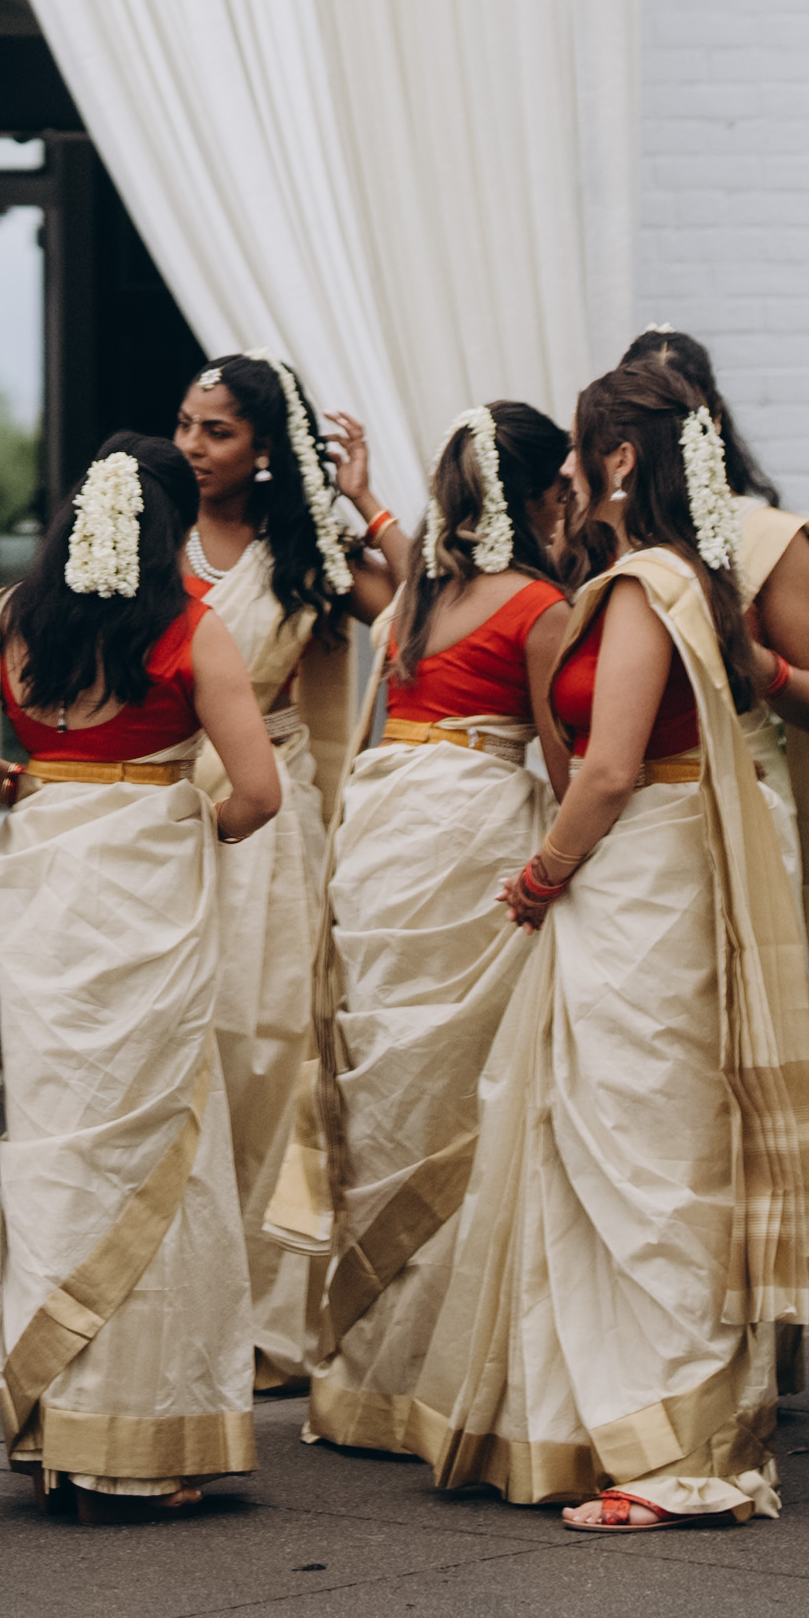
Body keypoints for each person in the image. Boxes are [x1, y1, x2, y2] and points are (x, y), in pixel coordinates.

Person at [413, 348, 809, 1525]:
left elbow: (607, 770)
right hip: (646, 868)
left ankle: (678, 1452)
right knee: (608, 1137)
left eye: (575, 452)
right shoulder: (673, 576)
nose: (560, 476)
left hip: (642, 871)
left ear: (614, 458)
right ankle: (599, 1426)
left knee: (643, 1147)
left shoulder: (650, 586)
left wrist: (538, 876)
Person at [0, 435, 284, 1511]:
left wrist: (19, 775)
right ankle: (139, 1437)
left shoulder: (1, 621)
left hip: (40, 892)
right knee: (155, 1150)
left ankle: (54, 1427)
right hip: (146, 896)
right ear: (170, 527)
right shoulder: (192, 629)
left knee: (54, 1144)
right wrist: (194, 826)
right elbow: (258, 792)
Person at [305, 398, 572, 1472]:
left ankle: (366, 1380)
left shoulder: (420, 594)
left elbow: (406, 561)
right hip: (470, 828)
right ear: (542, 494)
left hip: (383, 828)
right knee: (465, 1092)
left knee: (390, 1084)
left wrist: (368, 498)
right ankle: (441, 1372)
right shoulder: (543, 607)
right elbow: (563, 758)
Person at [172, 351, 409, 1391]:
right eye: (186, 424)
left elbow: (415, 619)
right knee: (177, 1050)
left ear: (265, 447)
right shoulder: (149, 534)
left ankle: (268, 1321)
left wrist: (361, 501)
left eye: (216, 430)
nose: (192, 446)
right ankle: (177, 1306)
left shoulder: (302, 552)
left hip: (268, 820)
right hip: (158, 811)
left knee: (269, 1057)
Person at [629, 328, 809, 1296]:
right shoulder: (604, 538)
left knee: (737, 1049)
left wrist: (747, 655)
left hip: (740, 811)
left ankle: (753, 1299)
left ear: (709, 421)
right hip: (628, 825)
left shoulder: (769, 541)